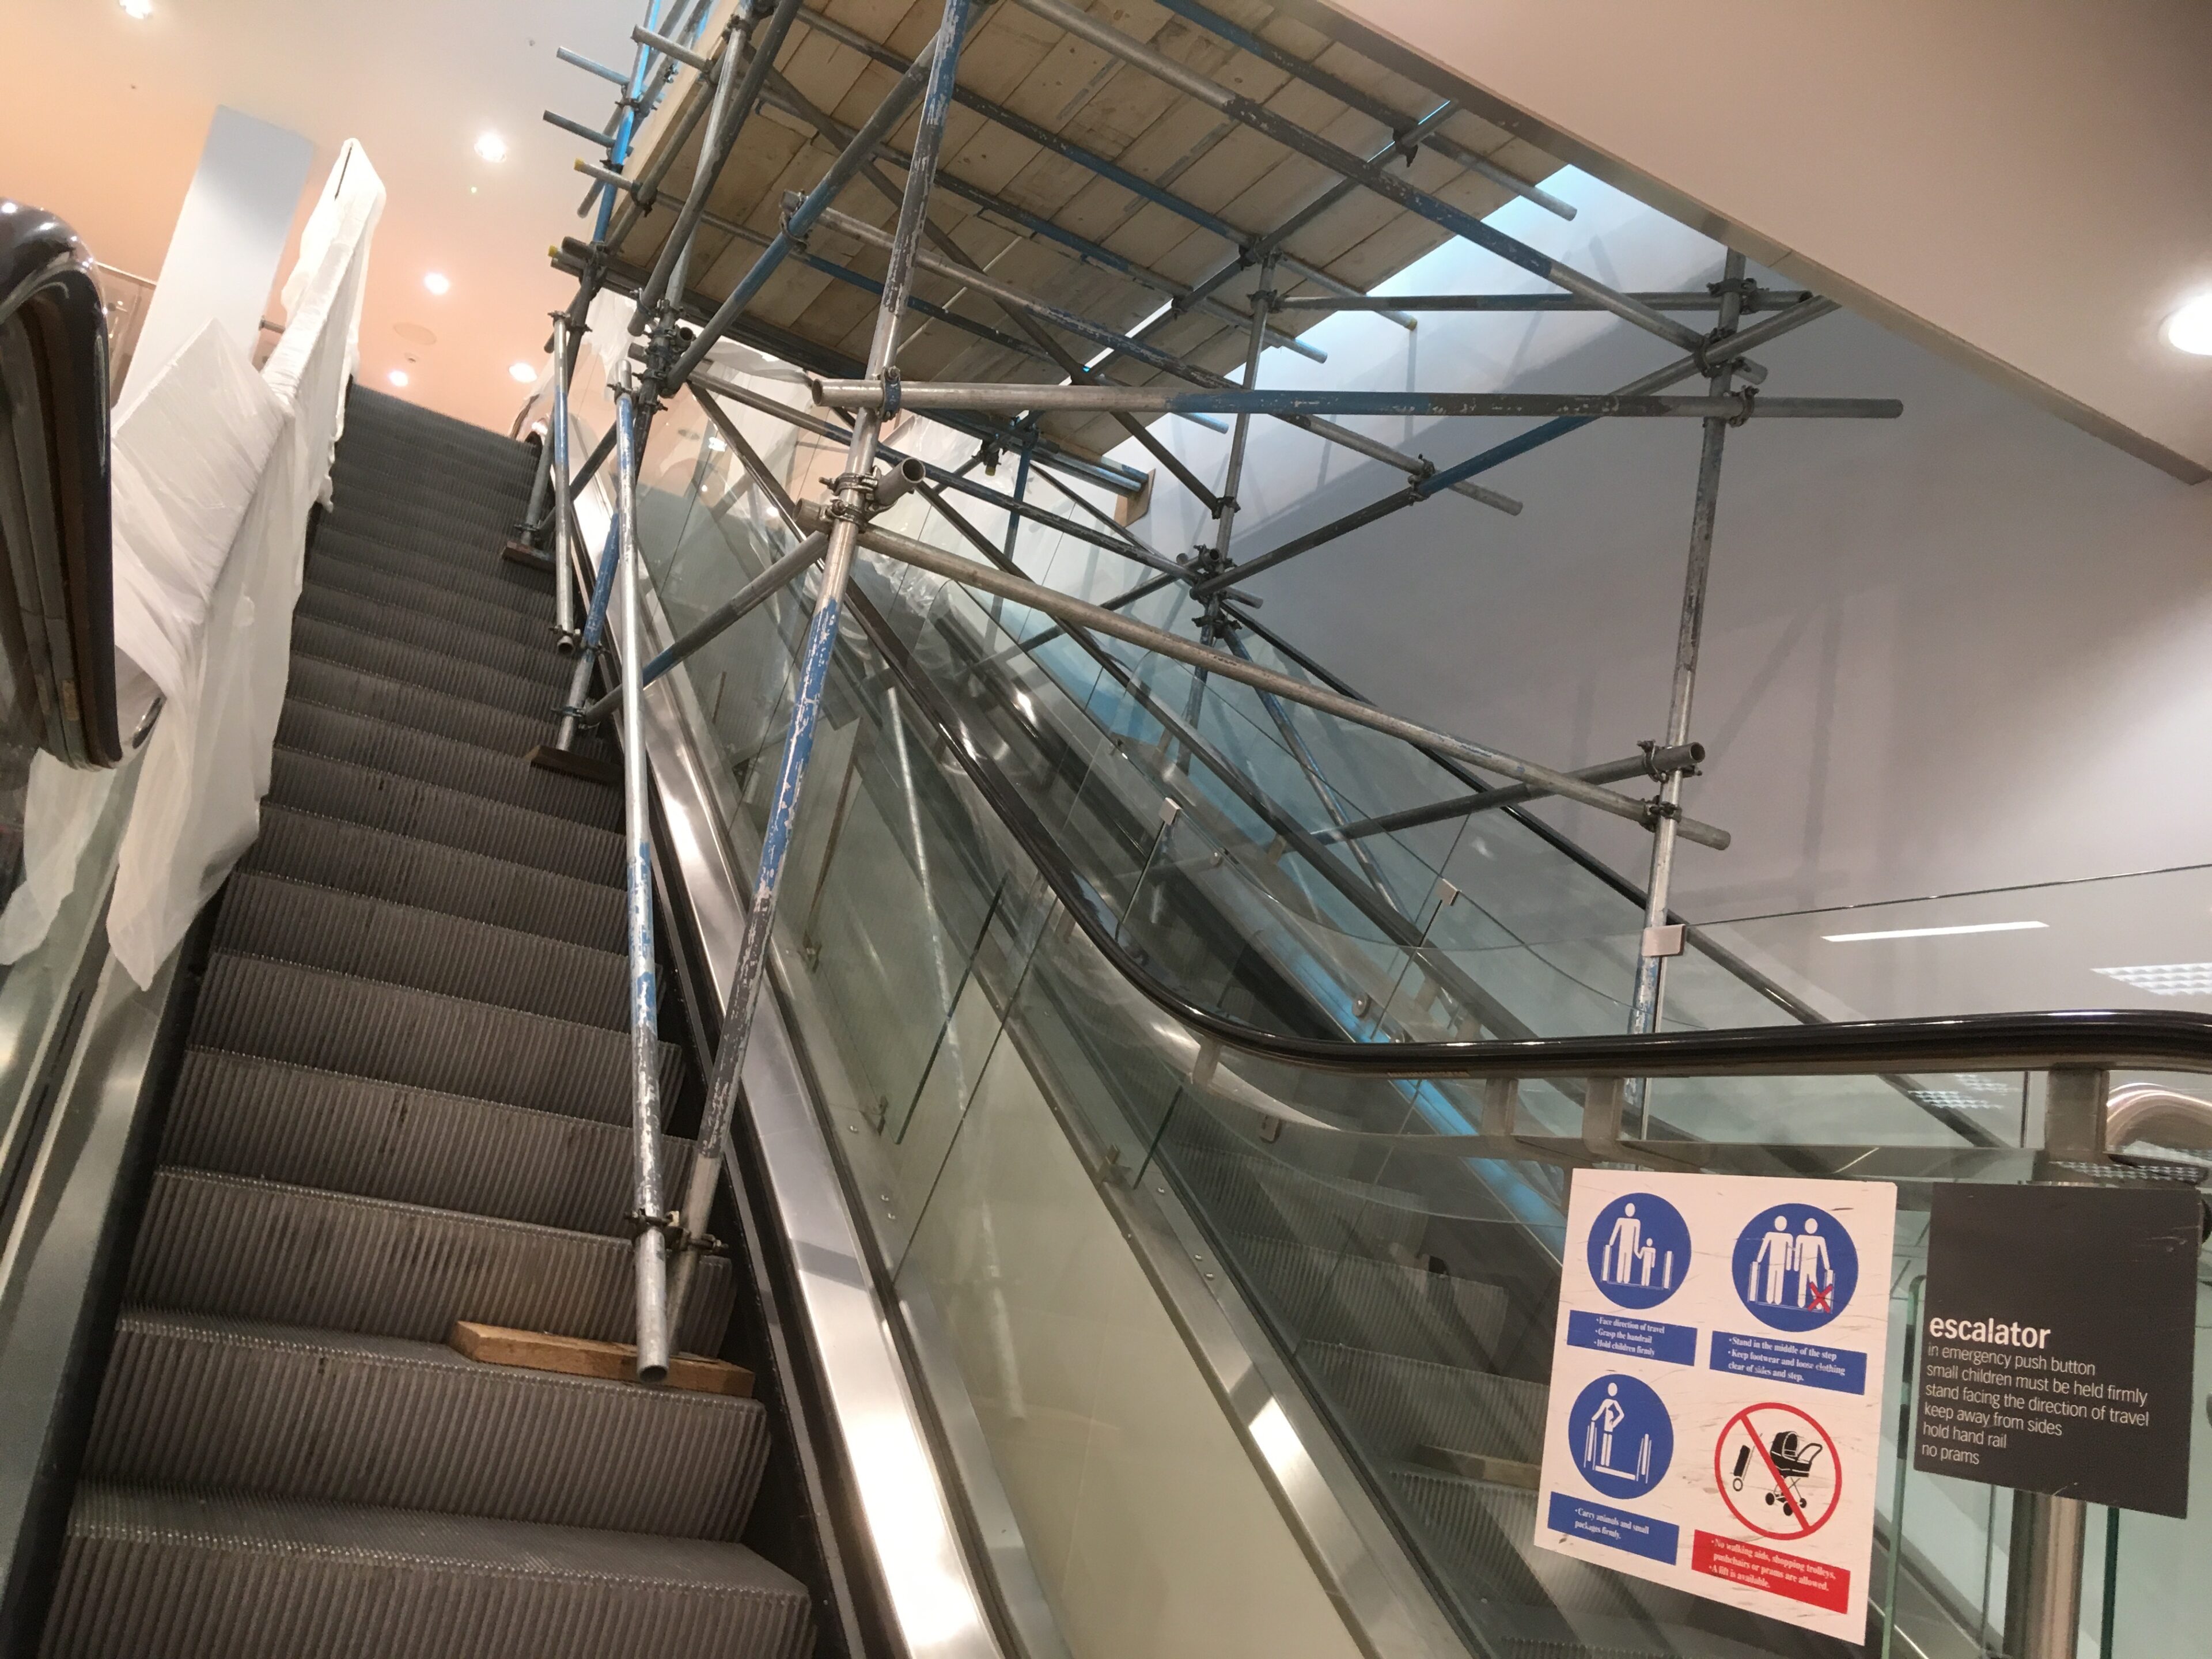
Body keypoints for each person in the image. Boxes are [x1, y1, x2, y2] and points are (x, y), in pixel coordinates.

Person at [1793, 1215, 1833, 1309]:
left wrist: (1827, 1265)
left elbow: (1824, 1252)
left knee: (1813, 1282)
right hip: (1803, 1266)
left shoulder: (1819, 1239)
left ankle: (1818, 1303)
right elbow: (1797, 1252)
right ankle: (1801, 1303)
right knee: (1802, 1283)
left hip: (1812, 1267)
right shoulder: (1801, 1238)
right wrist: (1796, 1265)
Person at [1750, 1215, 1791, 1304]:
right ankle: (1769, 1299)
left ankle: (1778, 1300)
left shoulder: (1788, 1237)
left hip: (1782, 1264)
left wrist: (1788, 1264)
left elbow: (1789, 1252)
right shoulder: (1770, 1235)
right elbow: (1764, 1247)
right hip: (1772, 1263)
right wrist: (1759, 1259)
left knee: (1779, 1280)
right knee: (1771, 1279)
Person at [1605, 1203, 1642, 1284]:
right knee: (1621, 1260)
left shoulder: (1636, 1222)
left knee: (1628, 1261)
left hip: (1630, 1246)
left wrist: (1636, 1250)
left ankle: (1626, 1279)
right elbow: (1615, 1232)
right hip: (1622, 1245)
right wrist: (1611, 1242)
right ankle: (1619, 1278)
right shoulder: (1621, 1220)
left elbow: (1637, 1237)